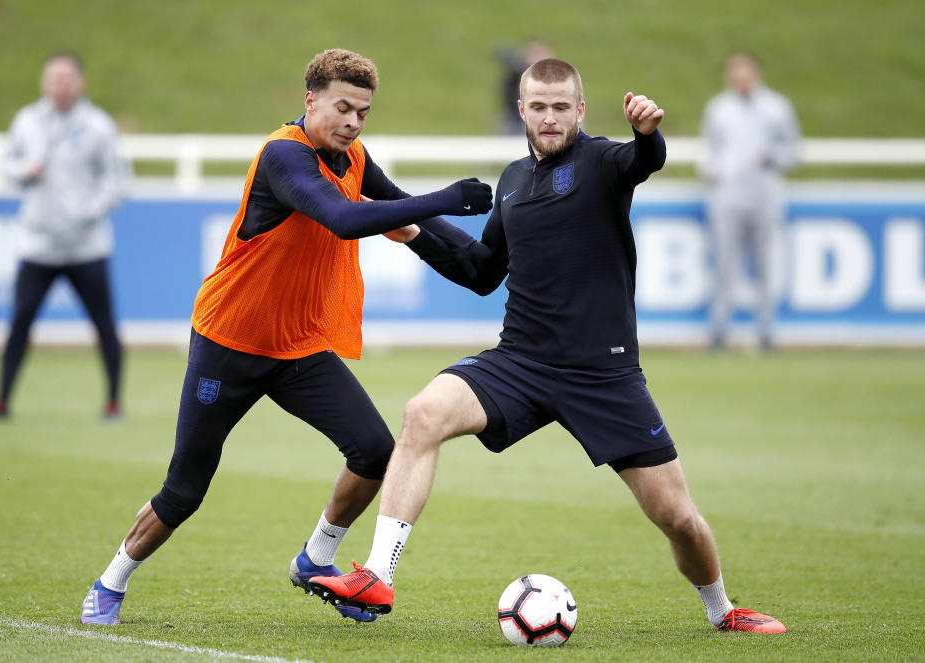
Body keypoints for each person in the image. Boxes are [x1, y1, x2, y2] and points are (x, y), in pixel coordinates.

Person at [310, 58, 786, 634]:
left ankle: (722, 609)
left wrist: (647, 132)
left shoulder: (605, 161)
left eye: (562, 107)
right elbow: (483, 271)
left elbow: (645, 160)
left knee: (677, 517)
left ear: (580, 111)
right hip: (521, 363)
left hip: (602, 376)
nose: (551, 117)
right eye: (539, 107)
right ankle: (377, 575)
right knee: (423, 413)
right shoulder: (512, 180)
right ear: (522, 111)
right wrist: (414, 233)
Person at [78, 48, 492, 625]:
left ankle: (316, 558)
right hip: (229, 342)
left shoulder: (353, 157)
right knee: (185, 490)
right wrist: (450, 197)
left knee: (374, 450)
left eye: (363, 114)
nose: (352, 123)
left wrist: (478, 256)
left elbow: (397, 206)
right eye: (343, 108)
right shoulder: (283, 156)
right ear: (310, 100)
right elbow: (345, 219)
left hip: (297, 348)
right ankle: (110, 581)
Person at [0, 52, 129, 420]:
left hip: (86, 246)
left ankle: (112, 403)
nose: (59, 86)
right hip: (39, 246)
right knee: (19, 324)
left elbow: (116, 180)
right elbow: (7, 165)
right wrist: (22, 171)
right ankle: (1, 402)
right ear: (44, 82)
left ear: (79, 83)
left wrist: (87, 213)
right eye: (53, 78)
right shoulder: (27, 121)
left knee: (105, 325)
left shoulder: (97, 126)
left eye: (66, 79)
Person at [699, 52, 800, 350]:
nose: (741, 79)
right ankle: (719, 330)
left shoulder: (777, 108)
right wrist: (711, 169)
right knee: (724, 262)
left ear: (756, 74)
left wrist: (771, 157)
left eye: (745, 73)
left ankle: (766, 331)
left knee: (766, 262)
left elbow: (794, 151)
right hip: (727, 196)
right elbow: (709, 150)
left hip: (765, 194)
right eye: (735, 73)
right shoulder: (718, 109)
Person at [494, 40, 553, 134]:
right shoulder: (516, 78)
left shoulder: (562, 82)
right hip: (517, 126)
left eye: (538, 54)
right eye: (532, 54)